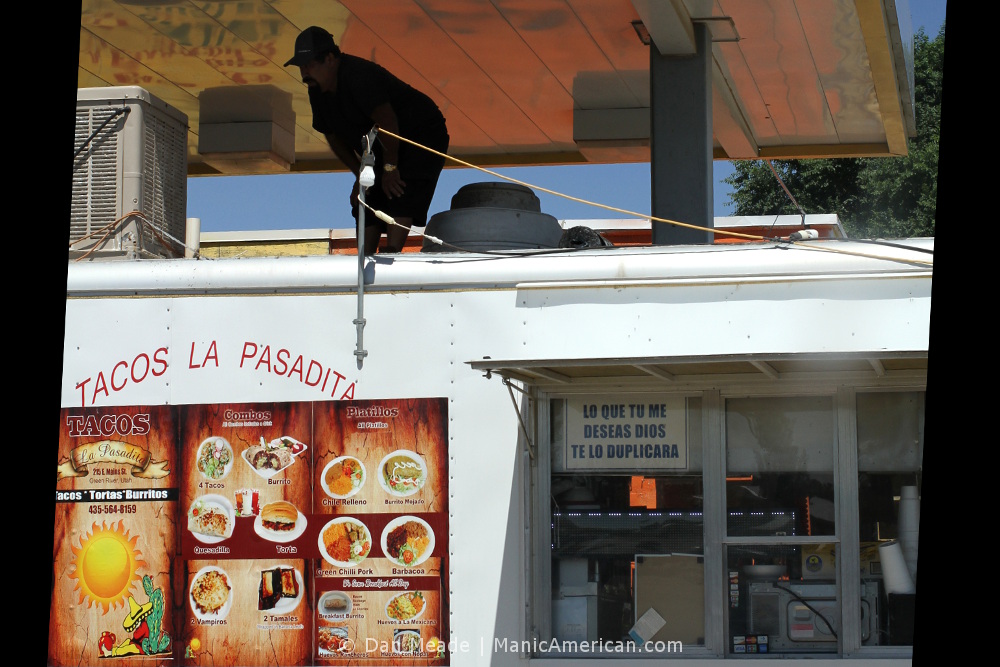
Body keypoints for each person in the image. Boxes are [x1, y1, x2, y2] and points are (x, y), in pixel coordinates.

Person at [285, 26, 450, 253]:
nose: (304, 72)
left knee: (400, 187)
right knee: (369, 191)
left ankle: (392, 251)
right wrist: (360, 173)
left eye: (309, 64)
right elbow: (332, 136)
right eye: (301, 66)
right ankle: (365, 255)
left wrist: (390, 168)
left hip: (420, 133)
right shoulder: (317, 89)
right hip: (380, 142)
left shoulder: (358, 76)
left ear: (330, 59)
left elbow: (388, 123)